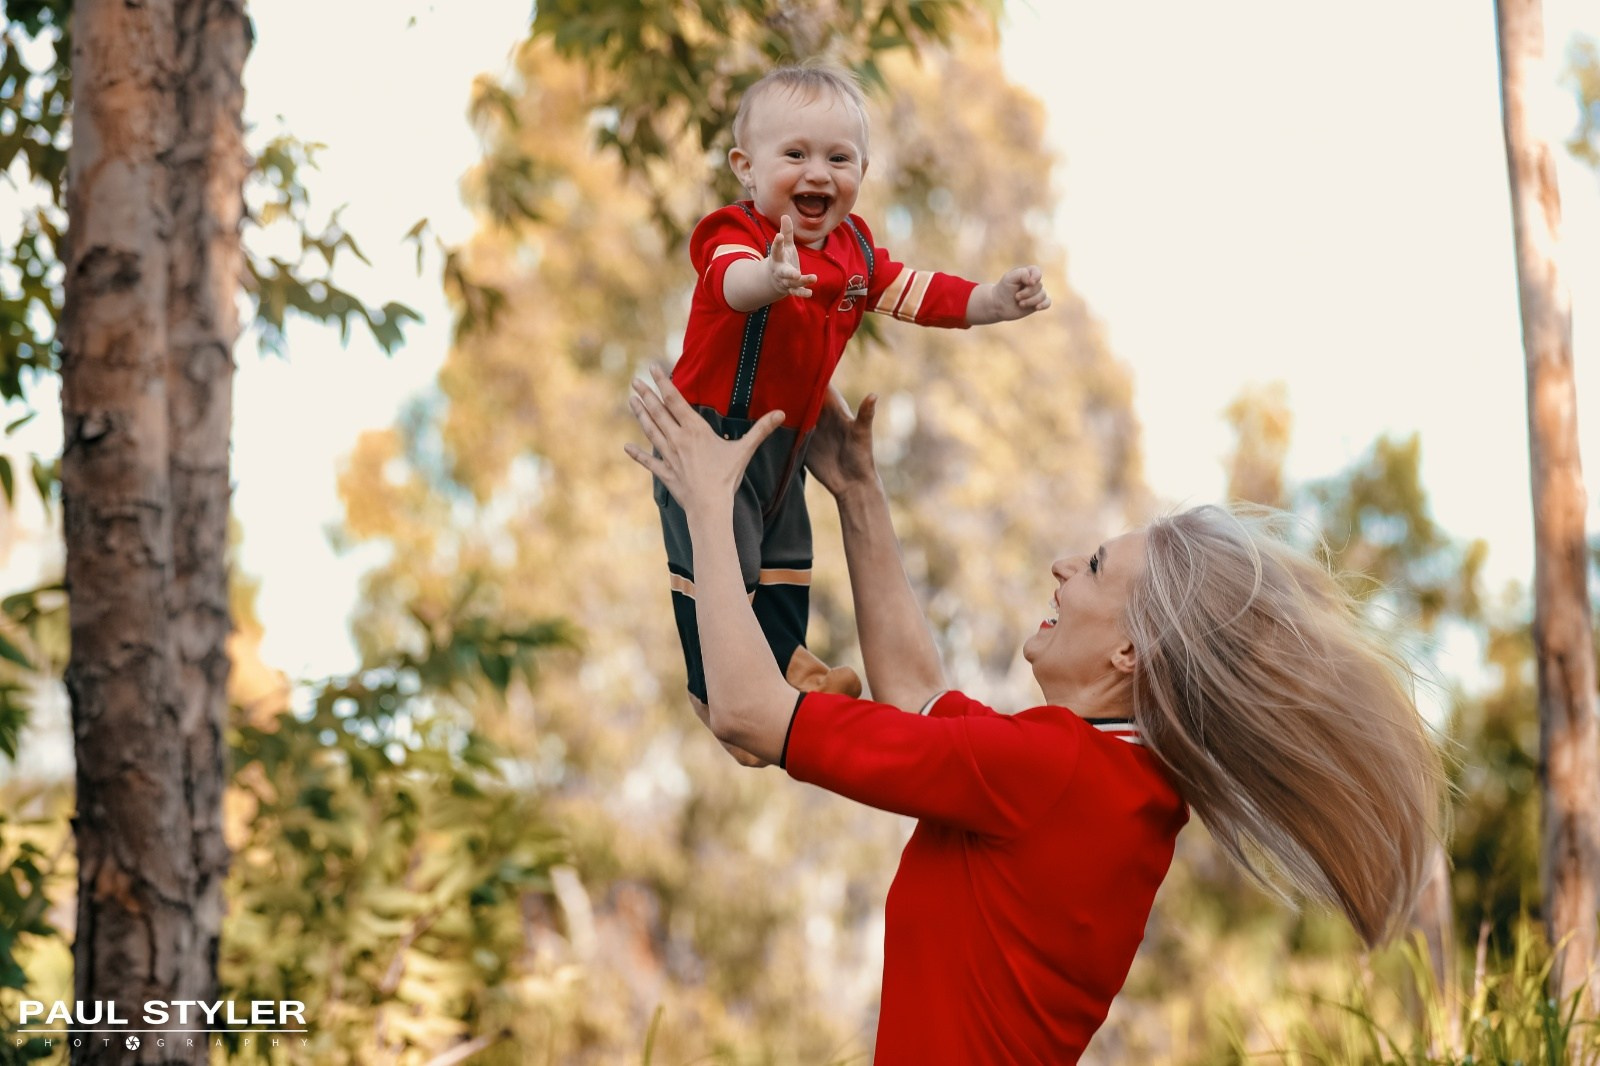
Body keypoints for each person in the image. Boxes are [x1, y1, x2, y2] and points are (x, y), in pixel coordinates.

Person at [624, 366, 1447, 1064]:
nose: (1062, 568)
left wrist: (707, 502)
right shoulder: (1115, 786)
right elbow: (917, 697)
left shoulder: (1048, 773)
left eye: (1092, 567)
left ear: (1130, 653)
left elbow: (745, 712)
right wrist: (857, 489)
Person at [656, 62, 1051, 719]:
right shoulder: (739, 234)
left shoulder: (855, 253)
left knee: (786, 557)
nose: (818, 173)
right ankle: (713, 687)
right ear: (746, 168)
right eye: (795, 154)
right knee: (727, 556)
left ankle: (790, 663)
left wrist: (991, 301)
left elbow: (918, 293)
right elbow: (728, 283)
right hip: (709, 435)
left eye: (839, 158)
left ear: (862, 175)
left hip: (787, 440)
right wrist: (770, 278)